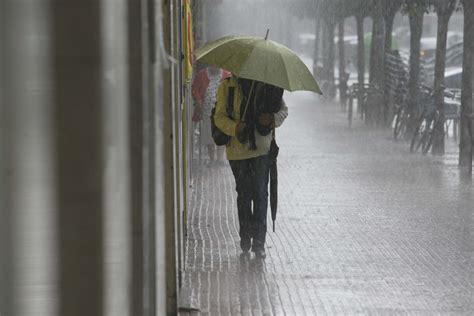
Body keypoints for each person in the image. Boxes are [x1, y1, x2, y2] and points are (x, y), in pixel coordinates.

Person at [214, 76, 288, 259]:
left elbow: (283, 110)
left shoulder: (267, 85)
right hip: (237, 152)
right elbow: (219, 116)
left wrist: (271, 118)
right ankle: (245, 239)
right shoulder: (227, 86)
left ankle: (259, 244)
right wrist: (235, 127)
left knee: (261, 194)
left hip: (262, 150)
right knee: (244, 194)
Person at [192, 65, 231, 164]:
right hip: (207, 112)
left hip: (222, 112)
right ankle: (212, 158)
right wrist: (198, 101)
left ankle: (220, 158)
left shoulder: (227, 75)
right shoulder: (202, 75)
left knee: (221, 133)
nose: (215, 66)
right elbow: (195, 89)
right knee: (209, 135)